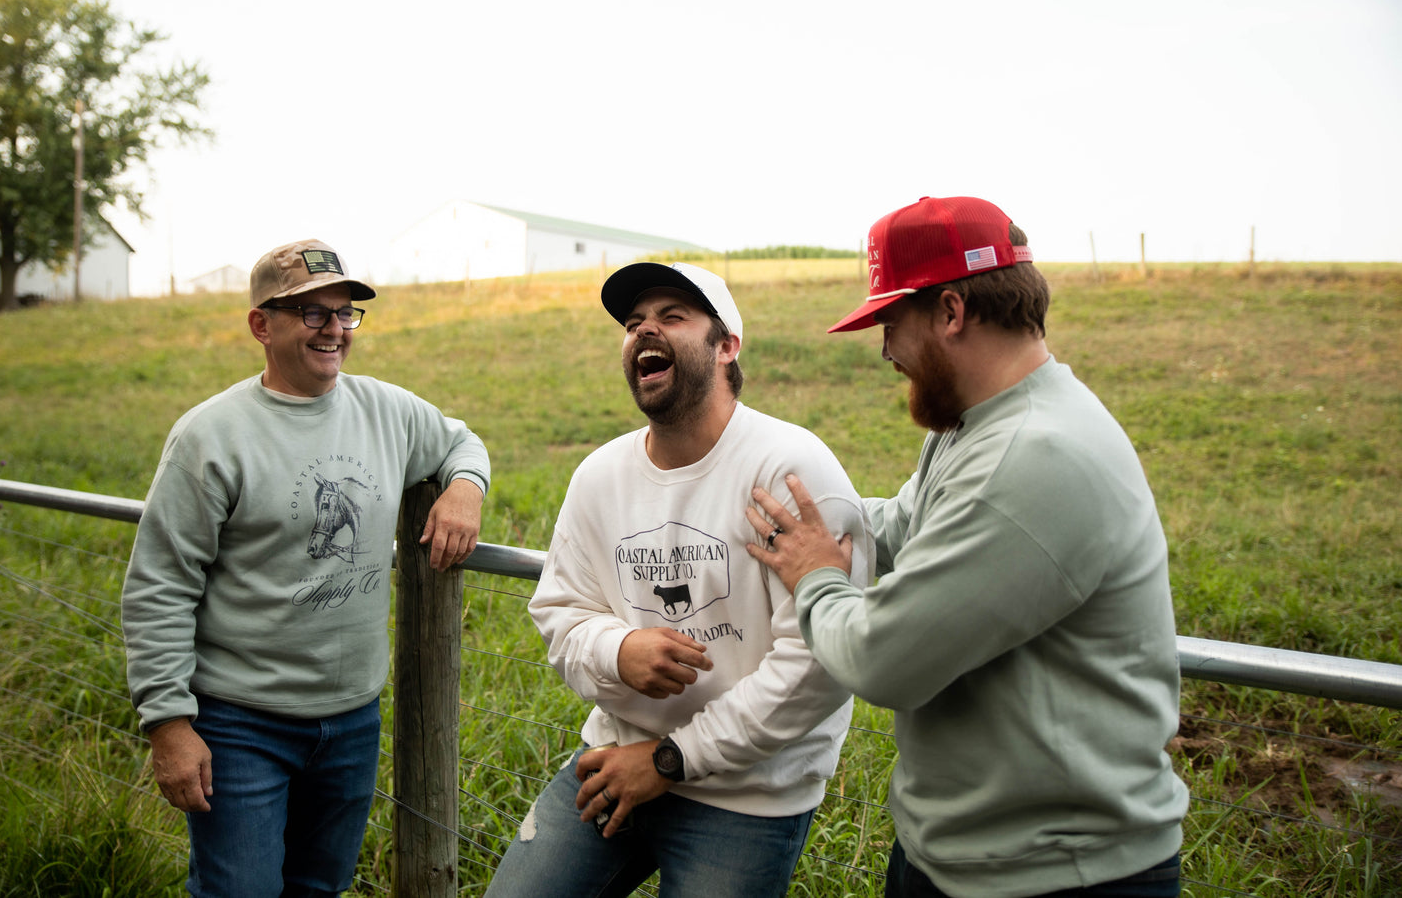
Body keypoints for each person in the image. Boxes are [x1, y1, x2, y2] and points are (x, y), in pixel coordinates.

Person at [745, 196, 1189, 898]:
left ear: (951, 311)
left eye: (891, 323)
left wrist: (816, 575)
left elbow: (880, 658)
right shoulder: (973, 427)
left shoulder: (1035, 455)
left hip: (1057, 875)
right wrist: (792, 506)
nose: (886, 350)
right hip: (959, 856)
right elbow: (898, 525)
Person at [485, 262, 874, 898]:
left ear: (727, 346)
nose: (645, 331)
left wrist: (671, 760)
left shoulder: (789, 468)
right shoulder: (600, 477)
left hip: (749, 795)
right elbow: (559, 609)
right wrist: (617, 649)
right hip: (614, 759)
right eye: (635, 323)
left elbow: (821, 660)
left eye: (672, 317)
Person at [122, 238, 490, 898]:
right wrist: (169, 724)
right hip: (240, 722)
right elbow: (159, 585)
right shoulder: (212, 436)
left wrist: (464, 485)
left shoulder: (387, 411)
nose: (334, 329)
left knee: (319, 888)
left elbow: (459, 438)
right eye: (311, 313)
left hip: (350, 720)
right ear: (261, 325)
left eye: (344, 313)